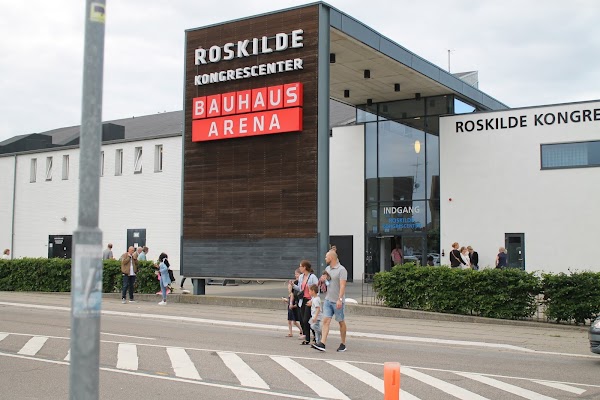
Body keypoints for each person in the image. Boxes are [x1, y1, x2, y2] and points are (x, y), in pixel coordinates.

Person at [312, 250, 347, 353]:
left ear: (331, 258)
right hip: (328, 299)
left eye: (326, 257)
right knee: (326, 321)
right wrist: (324, 279)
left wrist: (340, 299)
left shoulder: (342, 270)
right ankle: (322, 343)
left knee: (341, 322)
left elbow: (342, 285)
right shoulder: (327, 269)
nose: (325, 259)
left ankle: (343, 343)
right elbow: (328, 282)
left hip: (337, 301)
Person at [292, 260, 318, 345]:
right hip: (302, 300)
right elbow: (300, 288)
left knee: (307, 319)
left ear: (305, 267)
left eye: (300, 266)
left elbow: (317, 289)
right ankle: (308, 338)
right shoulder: (301, 277)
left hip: (310, 300)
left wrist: (313, 300)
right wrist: (293, 286)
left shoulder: (313, 277)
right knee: (303, 320)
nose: (299, 268)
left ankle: (314, 337)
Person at [283, 269, 303, 337]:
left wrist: (291, 304)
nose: (296, 275)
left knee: (295, 321)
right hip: (292, 306)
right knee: (290, 320)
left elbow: (292, 299)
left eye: (297, 274)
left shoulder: (297, 284)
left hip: (295, 305)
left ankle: (301, 330)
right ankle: (291, 332)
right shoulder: (291, 293)